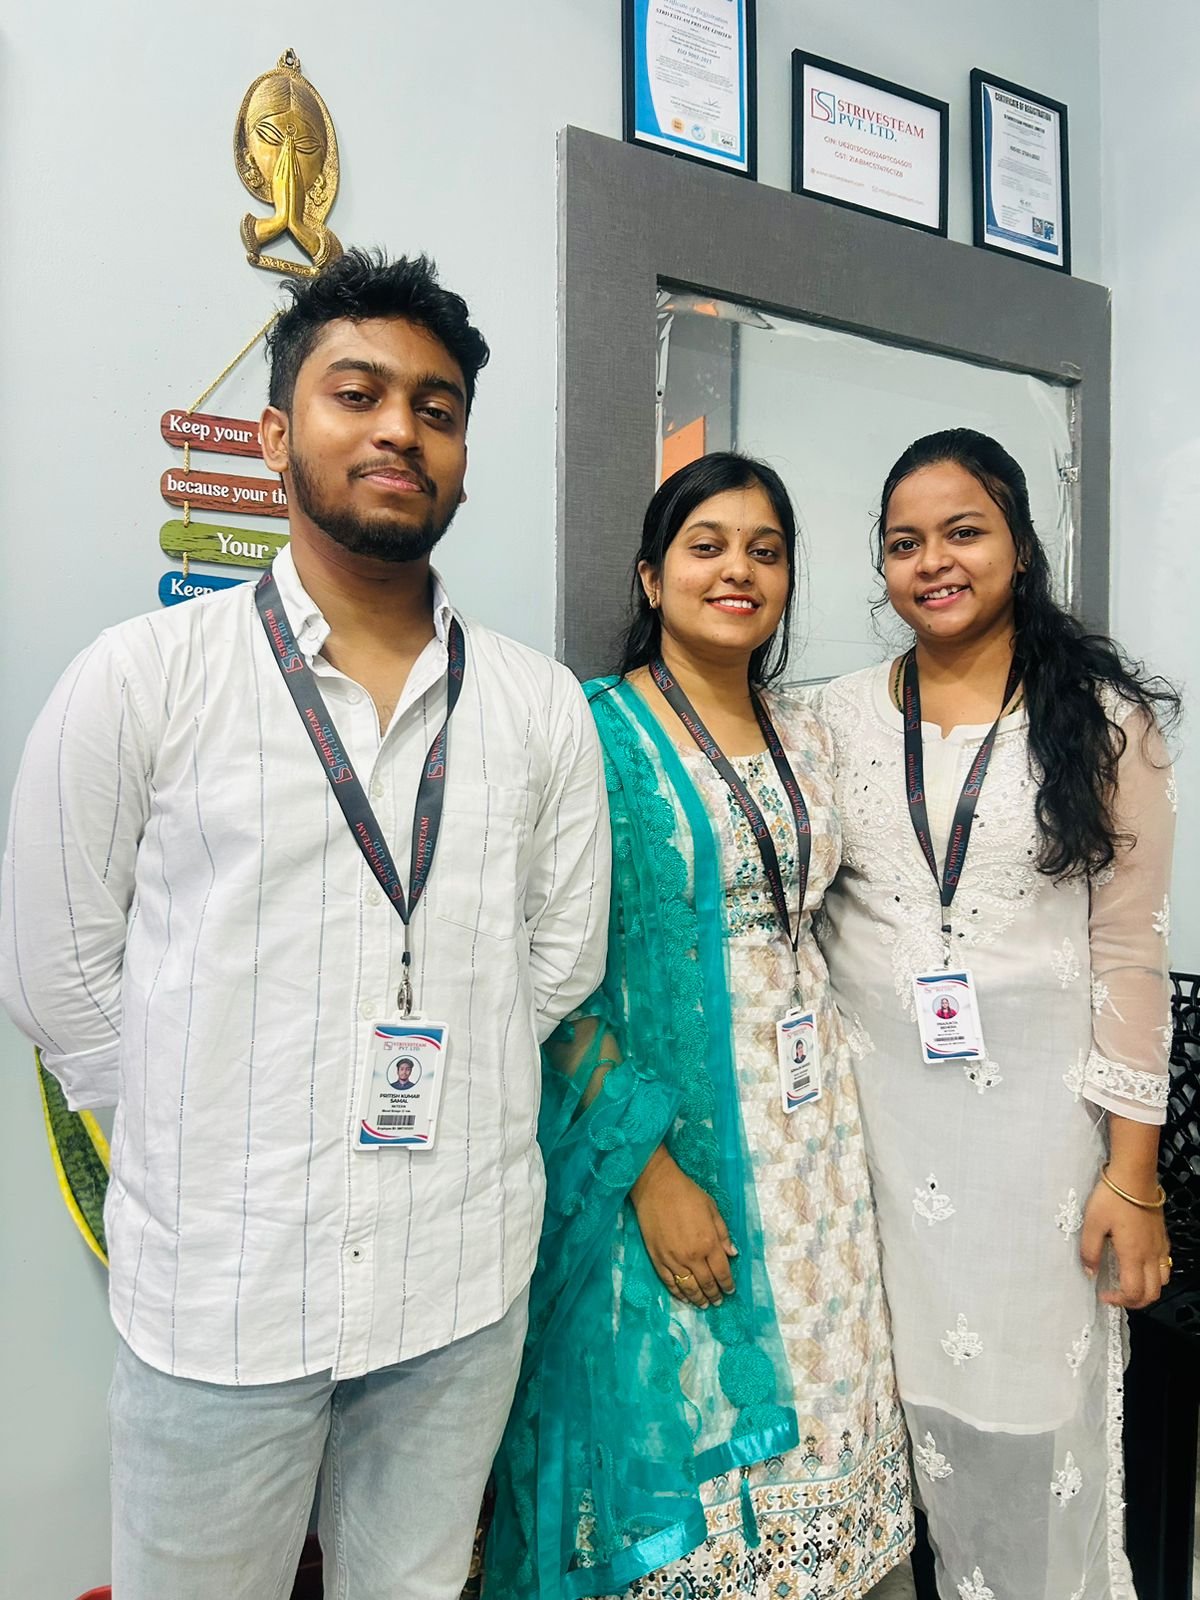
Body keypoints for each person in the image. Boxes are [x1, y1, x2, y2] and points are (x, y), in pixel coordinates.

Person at [0, 248, 610, 1600]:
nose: (400, 430)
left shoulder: (538, 707)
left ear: (463, 460)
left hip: (457, 1285)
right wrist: (201, 1141)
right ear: (278, 434)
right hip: (223, 1299)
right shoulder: (144, 679)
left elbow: (559, 960)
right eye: (358, 393)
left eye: (437, 410)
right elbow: (56, 972)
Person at [487, 453, 912, 1599]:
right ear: (651, 574)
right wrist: (651, 1170)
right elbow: (550, 976)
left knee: (828, 1430)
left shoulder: (809, 731)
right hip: (672, 1140)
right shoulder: (596, 733)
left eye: (766, 551)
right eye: (707, 545)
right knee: (686, 1458)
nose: (739, 570)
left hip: (820, 1155)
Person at [815, 429, 1178, 1600]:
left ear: (1019, 546)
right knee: (884, 1431)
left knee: (1027, 1436)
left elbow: (1131, 955)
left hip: (1038, 1157)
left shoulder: (1106, 724)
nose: (934, 561)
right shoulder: (828, 719)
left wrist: (1135, 1179)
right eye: (904, 542)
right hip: (867, 1153)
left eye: (963, 532)